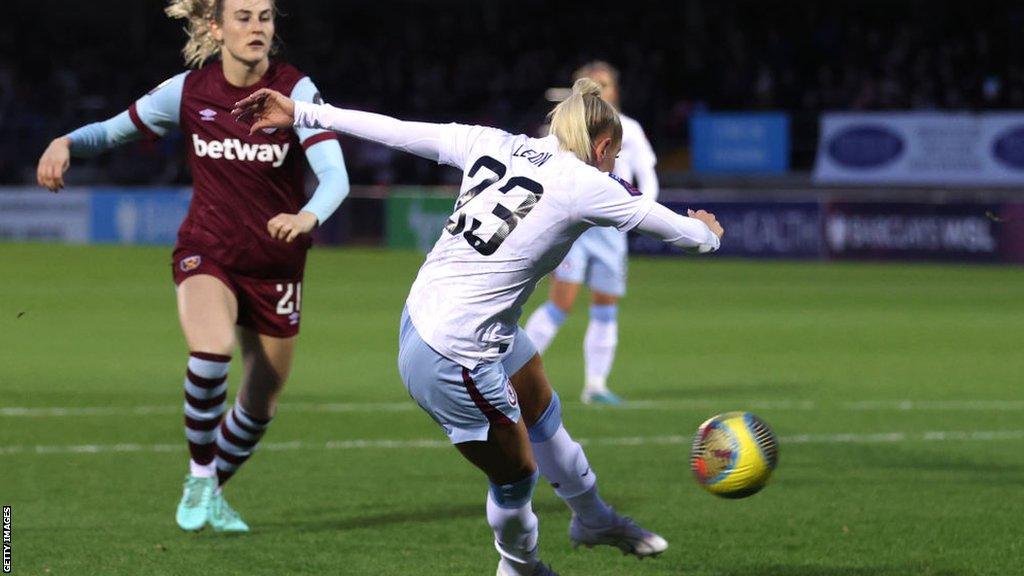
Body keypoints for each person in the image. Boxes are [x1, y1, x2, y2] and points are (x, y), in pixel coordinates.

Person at [233, 77, 721, 575]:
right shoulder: (586, 183)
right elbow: (685, 235)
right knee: (516, 477)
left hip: (435, 316)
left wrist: (302, 112)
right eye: (614, 155)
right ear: (601, 146)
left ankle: (594, 520)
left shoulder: (492, 142)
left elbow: (396, 130)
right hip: (454, 353)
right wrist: (709, 232)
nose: (615, 165)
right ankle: (518, 567)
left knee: (543, 412)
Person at [35, 0, 349, 533]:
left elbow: (335, 174)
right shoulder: (188, 91)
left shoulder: (295, 91)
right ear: (215, 26)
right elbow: (114, 132)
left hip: (276, 265)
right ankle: (200, 475)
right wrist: (67, 141)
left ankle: (210, 488)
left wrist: (307, 215)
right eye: (244, 16)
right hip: (209, 250)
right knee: (211, 348)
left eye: (265, 17)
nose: (256, 27)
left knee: (261, 402)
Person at [524, 61, 659, 405]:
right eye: (593, 83)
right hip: (576, 228)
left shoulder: (630, 128)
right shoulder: (563, 131)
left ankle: (595, 386)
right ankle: (513, 371)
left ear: (615, 90)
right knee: (561, 303)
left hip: (612, 230)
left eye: (606, 84)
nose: (600, 89)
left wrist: (643, 211)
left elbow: (648, 174)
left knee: (605, 307)